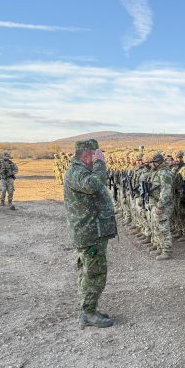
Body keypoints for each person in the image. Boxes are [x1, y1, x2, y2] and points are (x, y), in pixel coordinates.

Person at [63, 139, 117, 329]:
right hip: (90, 233)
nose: (99, 158)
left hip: (92, 232)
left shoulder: (81, 171)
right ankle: (88, 313)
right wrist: (100, 163)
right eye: (96, 155)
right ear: (87, 155)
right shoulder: (78, 173)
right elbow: (94, 185)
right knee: (95, 274)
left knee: (89, 273)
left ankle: (88, 309)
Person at [147, 153, 175, 260]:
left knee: (163, 228)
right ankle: (160, 247)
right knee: (156, 226)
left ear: (157, 162)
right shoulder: (157, 172)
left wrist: (160, 206)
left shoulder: (164, 173)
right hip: (157, 203)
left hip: (163, 205)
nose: (150, 164)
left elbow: (166, 191)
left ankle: (167, 251)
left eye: (152, 162)